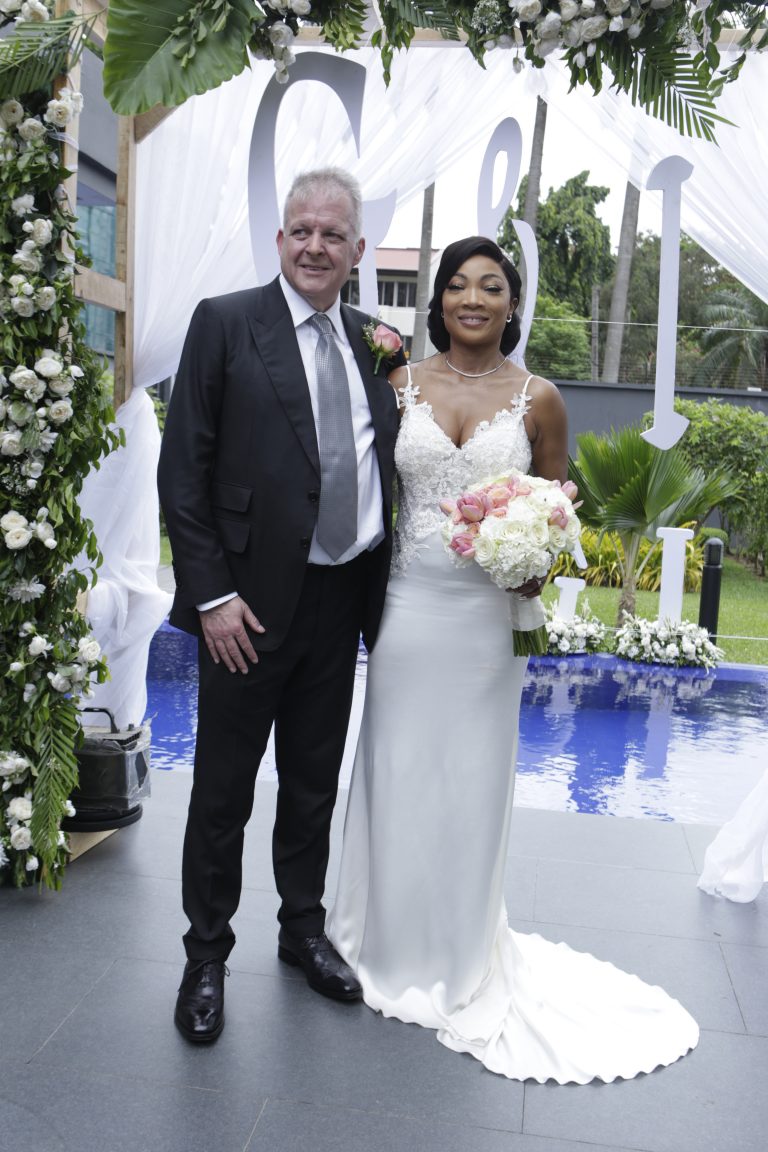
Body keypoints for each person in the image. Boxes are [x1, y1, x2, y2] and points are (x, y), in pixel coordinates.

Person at [327, 236, 699, 1083]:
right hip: (407, 609)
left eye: (490, 286)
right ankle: (377, 937)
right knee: (395, 769)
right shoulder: (398, 384)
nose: (472, 298)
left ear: (511, 303)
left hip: (486, 625)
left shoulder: (541, 399)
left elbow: (559, 513)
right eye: (457, 285)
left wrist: (534, 559)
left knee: (469, 781)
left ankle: (460, 952)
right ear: (438, 302)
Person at [158, 168, 404, 1043]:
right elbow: (183, 471)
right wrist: (213, 595)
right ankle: (205, 954)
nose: (314, 246)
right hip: (246, 609)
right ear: (280, 239)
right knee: (223, 789)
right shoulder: (226, 323)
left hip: (342, 597)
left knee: (312, 781)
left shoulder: (378, 343)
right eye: (301, 230)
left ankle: (302, 929)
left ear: (358, 250)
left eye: (332, 234)